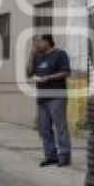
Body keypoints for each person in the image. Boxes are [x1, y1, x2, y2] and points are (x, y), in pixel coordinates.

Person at [27, 34, 72, 167]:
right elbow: (28, 73)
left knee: (60, 126)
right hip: (42, 98)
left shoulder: (59, 54)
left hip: (57, 96)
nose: (36, 44)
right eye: (34, 42)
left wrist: (48, 77)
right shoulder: (37, 57)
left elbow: (66, 72)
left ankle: (64, 155)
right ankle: (51, 155)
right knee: (44, 128)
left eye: (38, 42)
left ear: (47, 42)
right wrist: (31, 55)